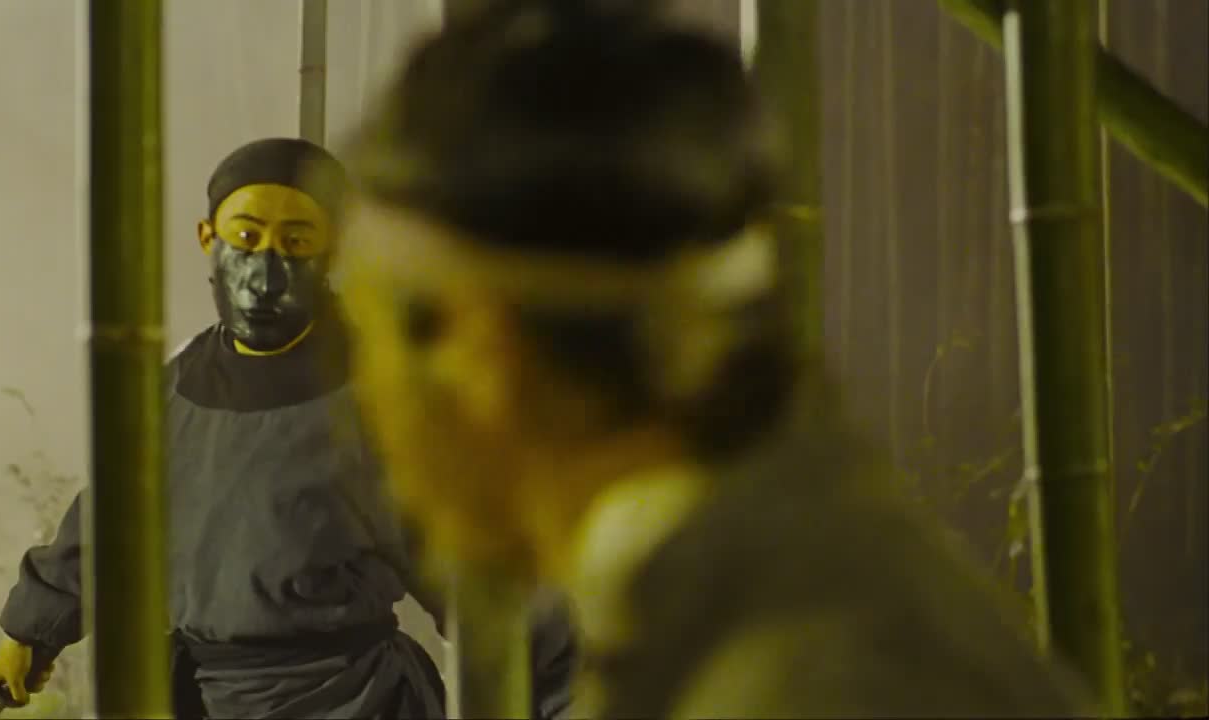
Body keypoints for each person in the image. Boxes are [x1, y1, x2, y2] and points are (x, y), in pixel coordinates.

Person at [330, 1, 1095, 716]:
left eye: (365, 337)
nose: (366, 398)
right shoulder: (788, 589)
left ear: (480, 347)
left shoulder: (807, 680)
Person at [0, 137, 577, 719]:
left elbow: (485, 584)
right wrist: (35, 627)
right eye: (245, 238)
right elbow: (113, 518)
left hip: (346, 703)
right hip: (201, 696)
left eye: (296, 244)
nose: (264, 276)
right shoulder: (176, 385)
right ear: (208, 239)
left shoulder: (384, 401)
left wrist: (568, 697)